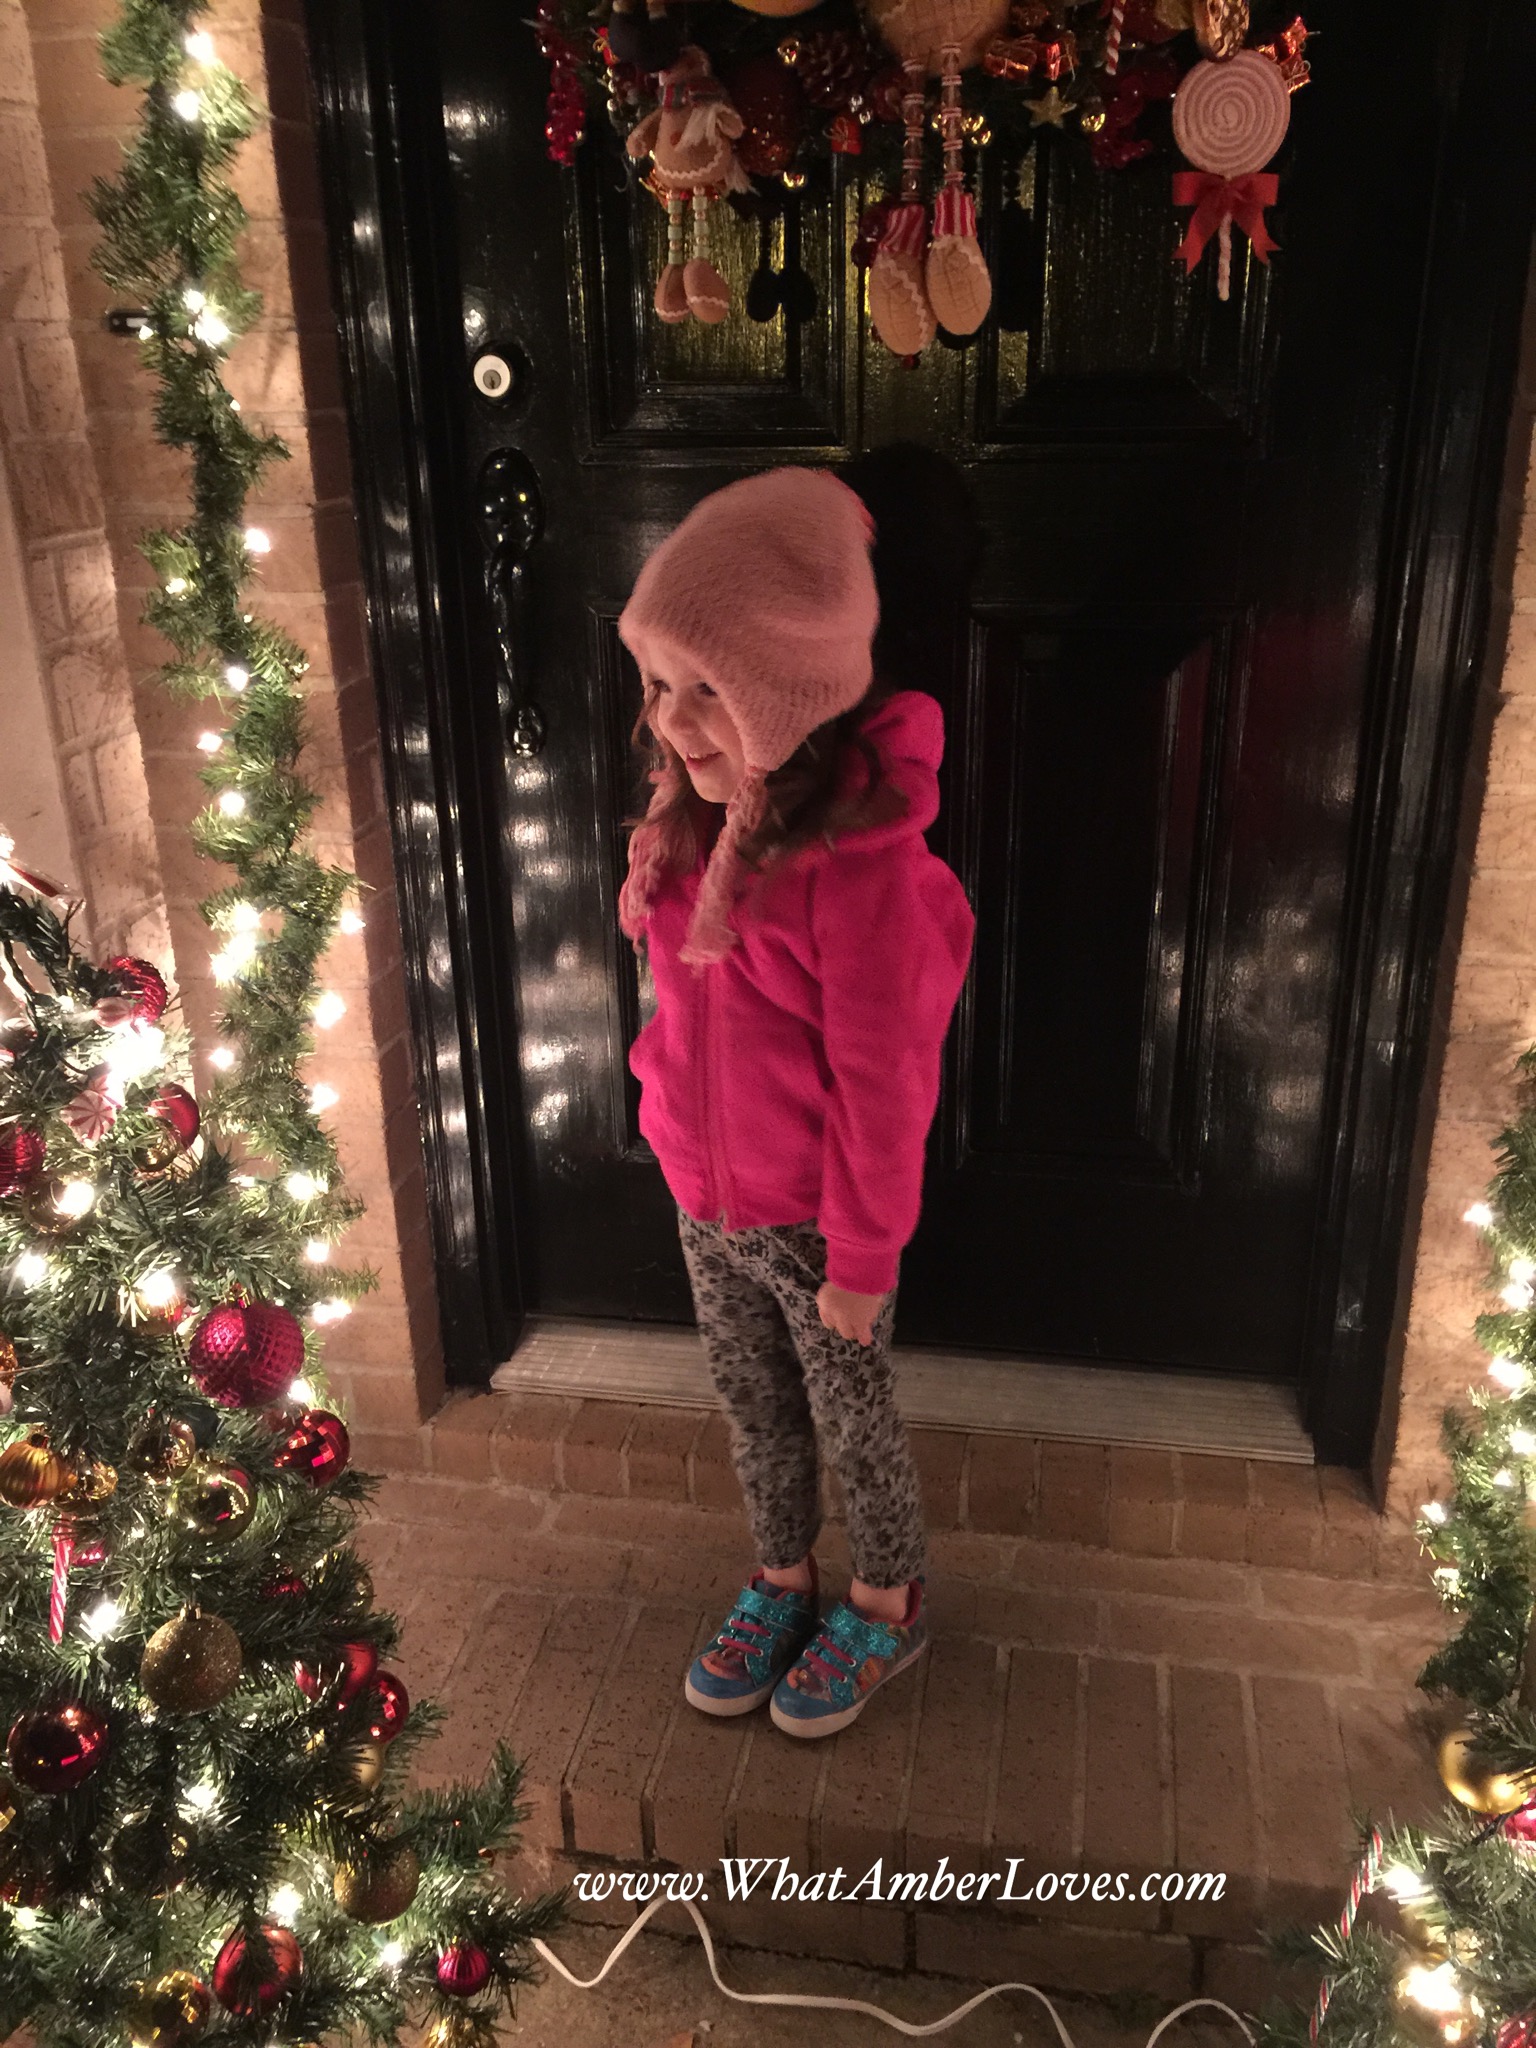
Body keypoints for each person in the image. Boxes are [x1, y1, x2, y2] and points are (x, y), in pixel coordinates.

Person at [616, 459, 977, 1740]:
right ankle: (782, 1578)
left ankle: (886, 1597)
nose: (673, 720)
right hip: (708, 1200)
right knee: (755, 1406)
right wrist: (665, 1110)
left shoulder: (860, 873)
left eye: (710, 688)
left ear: (793, 691)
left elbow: (887, 1084)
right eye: (658, 682)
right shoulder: (688, 826)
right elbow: (685, 1008)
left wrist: (866, 1256)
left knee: (849, 1414)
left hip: (821, 1224)